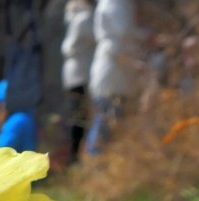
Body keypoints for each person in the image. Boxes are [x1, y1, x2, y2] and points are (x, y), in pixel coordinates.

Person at [87, 0, 145, 155]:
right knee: (106, 121)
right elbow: (124, 31)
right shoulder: (114, 4)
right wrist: (146, 36)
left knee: (109, 121)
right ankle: (96, 161)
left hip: (115, 77)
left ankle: (99, 161)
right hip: (112, 78)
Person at [61, 0, 95, 162]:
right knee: (80, 115)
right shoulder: (85, 17)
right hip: (81, 71)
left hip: (73, 72)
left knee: (77, 114)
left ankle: (74, 154)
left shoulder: (74, 16)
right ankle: (75, 155)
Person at [0, 80, 37, 151]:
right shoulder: (25, 117)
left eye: (2, 103)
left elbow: (1, 148)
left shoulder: (18, 120)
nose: (0, 107)